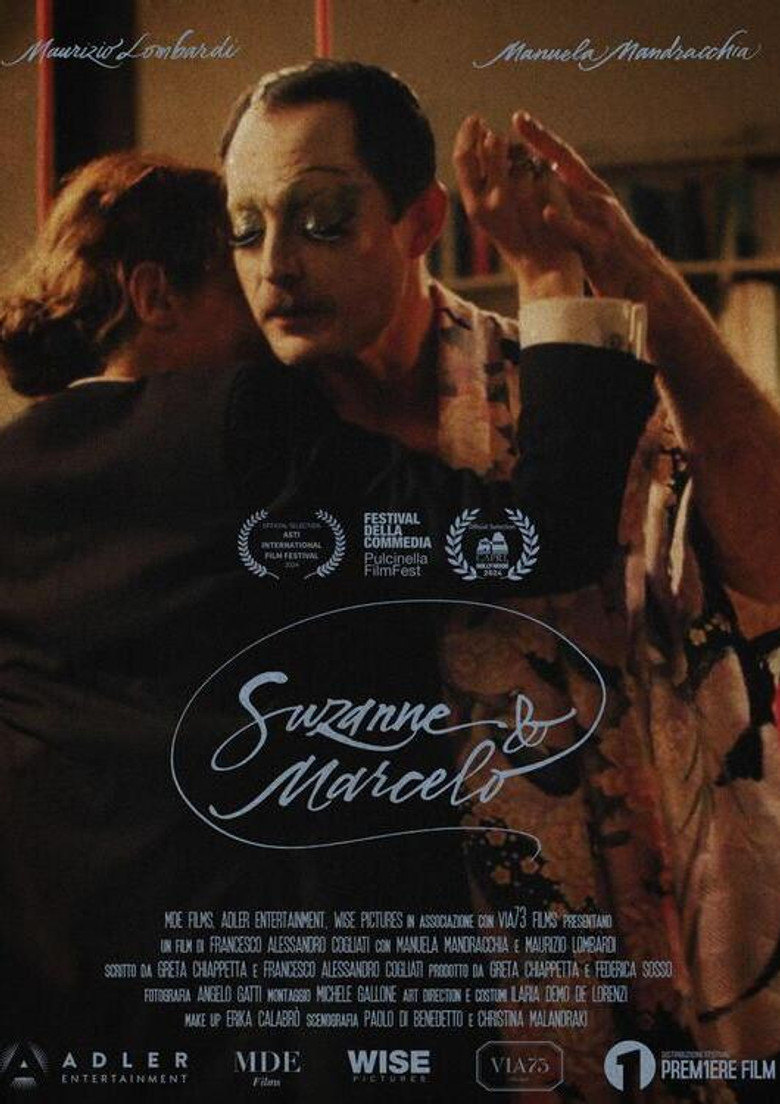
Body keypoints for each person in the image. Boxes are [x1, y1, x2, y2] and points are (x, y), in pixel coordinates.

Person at [0, 150, 654, 1101]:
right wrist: (552, 279)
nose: (273, 296)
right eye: (241, 266)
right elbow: (536, 539)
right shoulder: (238, 420)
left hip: (73, 1020)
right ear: (153, 294)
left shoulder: (15, 467)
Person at [219, 60, 780, 1101]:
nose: (276, 266)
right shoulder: (233, 442)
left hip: (615, 958)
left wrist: (631, 272)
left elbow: (765, 561)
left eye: (324, 219)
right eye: (246, 229)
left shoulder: (564, 390)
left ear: (422, 221)